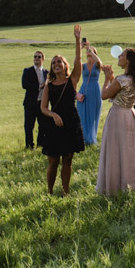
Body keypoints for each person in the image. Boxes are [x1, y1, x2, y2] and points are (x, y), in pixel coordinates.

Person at [96, 47, 135, 195]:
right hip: (130, 115)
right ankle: (133, 185)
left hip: (118, 115)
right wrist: (112, 78)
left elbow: (105, 95)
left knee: (115, 150)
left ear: (129, 60)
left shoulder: (122, 79)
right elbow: (119, 93)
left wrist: (107, 78)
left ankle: (114, 187)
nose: (119, 56)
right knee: (129, 150)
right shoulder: (133, 78)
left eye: (122, 55)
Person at [39, 26, 85, 195]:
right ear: (51, 68)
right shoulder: (48, 86)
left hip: (70, 122)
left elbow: (78, 61)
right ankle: (50, 192)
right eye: (53, 62)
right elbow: (43, 108)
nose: (56, 64)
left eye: (59, 61)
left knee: (68, 159)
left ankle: (66, 192)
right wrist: (53, 114)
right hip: (54, 124)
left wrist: (77, 40)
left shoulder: (72, 80)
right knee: (53, 160)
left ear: (65, 66)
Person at [77, 43, 103, 146]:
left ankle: (91, 137)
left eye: (91, 53)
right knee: (81, 112)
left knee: (93, 114)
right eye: (87, 53)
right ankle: (82, 137)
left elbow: (99, 62)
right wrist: (80, 47)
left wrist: (91, 50)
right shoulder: (83, 66)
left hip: (94, 91)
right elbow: (76, 63)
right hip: (84, 89)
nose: (88, 54)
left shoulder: (97, 65)